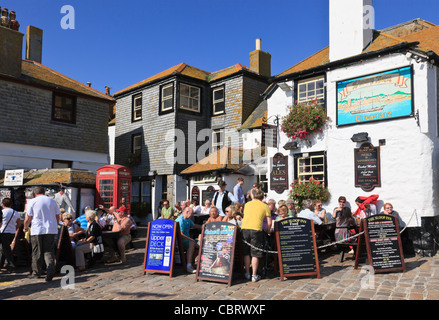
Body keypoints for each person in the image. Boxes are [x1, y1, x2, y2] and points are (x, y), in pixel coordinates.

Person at [23, 186, 61, 281]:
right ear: (44, 192)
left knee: (36, 252)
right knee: (49, 252)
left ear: (35, 193)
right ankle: (50, 272)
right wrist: (55, 228)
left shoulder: (32, 201)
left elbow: (28, 218)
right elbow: (58, 216)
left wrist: (25, 227)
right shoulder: (52, 201)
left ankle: (36, 273)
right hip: (50, 230)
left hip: (37, 229)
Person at [241, 189, 272, 282]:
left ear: (253, 196)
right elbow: (269, 223)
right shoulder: (265, 206)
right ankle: (254, 275)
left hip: (244, 229)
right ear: (263, 198)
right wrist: (268, 231)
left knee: (246, 252)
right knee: (255, 253)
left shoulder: (247, 204)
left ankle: (247, 273)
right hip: (256, 229)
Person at [175, 205, 199, 274]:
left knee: (201, 243)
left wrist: (203, 226)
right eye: (192, 213)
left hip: (186, 239)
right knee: (192, 243)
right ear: (187, 212)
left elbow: (194, 225)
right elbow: (181, 234)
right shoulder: (180, 220)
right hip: (180, 241)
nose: (192, 215)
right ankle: (188, 266)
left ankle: (190, 261)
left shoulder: (187, 219)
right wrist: (191, 240)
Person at [0, 198, 21, 273]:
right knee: (3, 249)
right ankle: (1, 264)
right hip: (12, 233)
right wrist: (14, 229)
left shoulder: (2, 212)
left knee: (6, 250)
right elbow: (18, 224)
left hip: (3, 232)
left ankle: (11, 266)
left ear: (3, 204)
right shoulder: (15, 212)